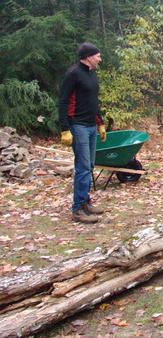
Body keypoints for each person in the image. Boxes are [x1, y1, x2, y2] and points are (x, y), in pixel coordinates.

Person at [58, 43, 107, 224]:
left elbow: (93, 101)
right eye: (97, 56)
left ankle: (85, 202)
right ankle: (77, 209)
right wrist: (65, 128)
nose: (100, 59)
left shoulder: (92, 74)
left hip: (91, 126)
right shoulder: (73, 74)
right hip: (77, 126)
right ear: (87, 57)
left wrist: (100, 123)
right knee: (83, 167)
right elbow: (62, 102)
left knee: (90, 166)